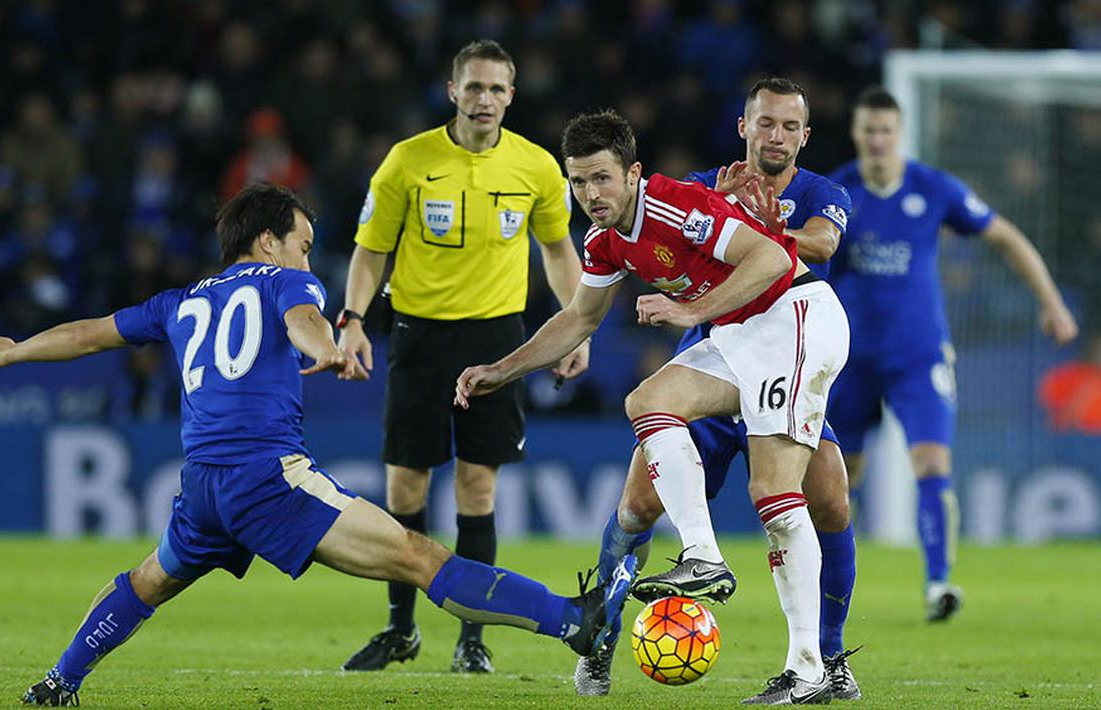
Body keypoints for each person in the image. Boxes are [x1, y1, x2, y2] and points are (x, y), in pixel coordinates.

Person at [0, 183, 632, 707]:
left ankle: (58, 682)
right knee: (419, 555)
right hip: (267, 479)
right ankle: (574, 620)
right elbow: (304, 320)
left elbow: (91, 333)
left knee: (148, 581)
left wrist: (14, 351)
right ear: (267, 241)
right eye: (304, 244)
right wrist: (329, 347)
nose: (309, 258)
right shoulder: (285, 280)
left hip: (204, 485)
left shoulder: (180, 300)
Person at [456, 109, 850, 705]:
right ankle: (702, 555)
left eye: (602, 179)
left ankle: (810, 669)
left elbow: (772, 258)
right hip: (740, 337)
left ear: (633, 173)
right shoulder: (603, 240)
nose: (590, 194)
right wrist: (501, 370)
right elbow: (580, 318)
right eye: (579, 182)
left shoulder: (675, 207)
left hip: (794, 317)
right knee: (648, 400)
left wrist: (693, 311)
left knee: (775, 494)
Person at [572, 77, 862, 701]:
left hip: (784, 346)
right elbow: (645, 235)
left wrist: (763, 228)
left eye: (789, 127)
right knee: (636, 506)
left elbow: (820, 244)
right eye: (765, 124)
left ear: (804, 136)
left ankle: (824, 660)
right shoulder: (698, 190)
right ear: (744, 127)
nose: (776, 136)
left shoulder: (821, 192)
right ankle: (600, 638)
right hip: (718, 357)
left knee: (828, 494)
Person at [337, 39, 589, 674]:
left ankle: (472, 638)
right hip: (419, 338)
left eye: (496, 89)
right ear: (453, 91)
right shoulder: (409, 161)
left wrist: (575, 326)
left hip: (498, 342)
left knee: (477, 490)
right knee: (405, 486)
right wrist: (353, 319)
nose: (484, 99)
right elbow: (371, 249)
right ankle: (400, 629)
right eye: (473, 87)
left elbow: (559, 251)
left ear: (511, 95)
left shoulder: (535, 167)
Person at [826, 87, 1079, 621]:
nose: (876, 140)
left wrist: (1052, 304)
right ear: (856, 134)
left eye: (885, 131)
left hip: (919, 357)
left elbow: (1006, 236)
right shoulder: (837, 194)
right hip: (849, 360)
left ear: (900, 134)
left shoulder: (931, 188)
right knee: (840, 478)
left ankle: (939, 582)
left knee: (933, 462)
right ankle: (825, 591)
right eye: (867, 130)